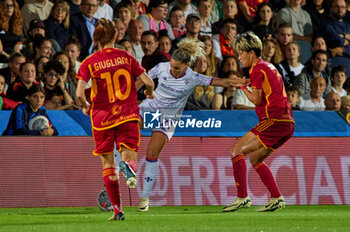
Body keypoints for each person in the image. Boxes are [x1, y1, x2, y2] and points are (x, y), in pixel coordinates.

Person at [137, 38, 248, 212]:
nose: (173, 70)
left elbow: (222, 82)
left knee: (152, 152)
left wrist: (242, 82)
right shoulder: (161, 67)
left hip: (168, 118)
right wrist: (127, 97)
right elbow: (141, 80)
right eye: (172, 65)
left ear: (187, 65)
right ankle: (124, 165)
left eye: (177, 68)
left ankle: (144, 198)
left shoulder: (193, 77)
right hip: (149, 109)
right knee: (126, 128)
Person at [75, 18, 154, 221]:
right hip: (127, 114)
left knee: (108, 163)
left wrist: (85, 106)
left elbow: (78, 94)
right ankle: (129, 168)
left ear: (96, 38)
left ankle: (118, 210)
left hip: (102, 119)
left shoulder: (89, 62)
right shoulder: (126, 57)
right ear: (116, 36)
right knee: (130, 157)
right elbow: (147, 81)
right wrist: (149, 92)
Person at [223, 32, 294, 212]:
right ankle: (276, 197)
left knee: (235, 150)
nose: (238, 57)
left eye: (241, 53)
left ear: (251, 53)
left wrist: (242, 86)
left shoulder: (256, 69)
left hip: (275, 119)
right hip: (287, 123)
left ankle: (242, 197)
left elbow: (257, 100)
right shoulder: (267, 66)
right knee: (255, 158)